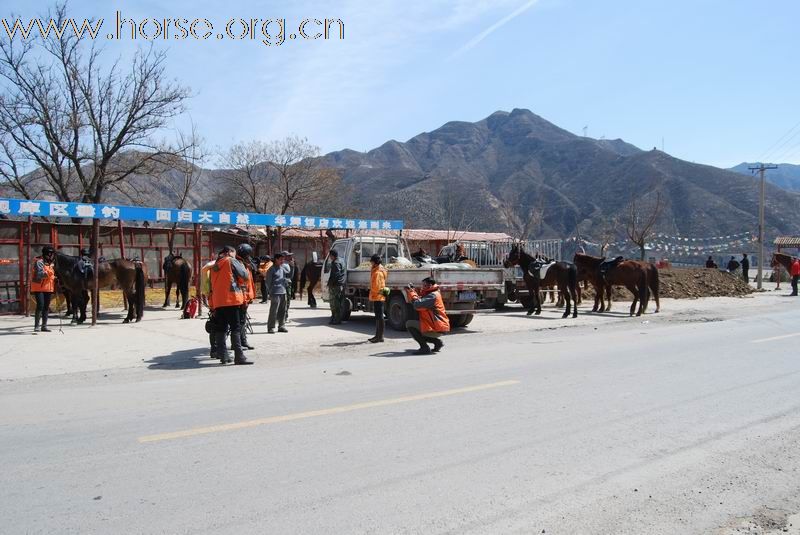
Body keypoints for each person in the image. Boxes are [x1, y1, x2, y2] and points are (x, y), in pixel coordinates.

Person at [208, 245, 253, 365]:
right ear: (229, 252)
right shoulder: (230, 260)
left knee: (221, 328)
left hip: (218, 300)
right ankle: (239, 357)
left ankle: (223, 356)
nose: (235, 255)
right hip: (232, 299)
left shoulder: (214, 265)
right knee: (235, 328)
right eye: (234, 252)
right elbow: (244, 275)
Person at [404, 277, 450, 355]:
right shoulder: (434, 293)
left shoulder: (432, 296)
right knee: (420, 327)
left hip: (437, 327)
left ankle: (424, 347)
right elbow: (420, 300)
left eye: (424, 285)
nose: (423, 287)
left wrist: (411, 291)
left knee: (409, 324)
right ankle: (437, 342)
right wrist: (413, 291)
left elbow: (417, 305)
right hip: (439, 326)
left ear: (430, 285)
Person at [236, 243, 257, 350]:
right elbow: (243, 284)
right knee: (240, 321)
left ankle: (242, 341)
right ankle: (240, 342)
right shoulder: (239, 264)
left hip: (245, 297)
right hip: (241, 298)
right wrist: (245, 299)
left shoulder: (244, 263)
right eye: (248, 255)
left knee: (242, 320)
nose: (250, 257)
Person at [31, 245, 56, 333]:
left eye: (52, 254)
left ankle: (44, 326)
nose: (51, 255)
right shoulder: (39, 261)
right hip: (39, 287)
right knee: (40, 305)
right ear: (45, 253)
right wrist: (51, 272)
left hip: (48, 288)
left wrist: (53, 276)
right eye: (49, 253)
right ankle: (36, 326)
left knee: (46, 307)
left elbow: (50, 275)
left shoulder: (51, 262)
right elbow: (40, 274)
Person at [266, 252, 288, 334]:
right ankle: (271, 327)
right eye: (281, 259)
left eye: (283, 259)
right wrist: (271, 291)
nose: (283, 261)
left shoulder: (282, 268)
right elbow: (268, 282)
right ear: (276, 259)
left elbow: (285, 277)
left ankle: (281, 326)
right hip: (275, 292)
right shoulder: (271, 269)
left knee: (283, 310)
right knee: (274, 310)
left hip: (283, 291)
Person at [368, 254, 387, 343]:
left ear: (375, 262)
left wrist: (372, 291)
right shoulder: (377, 270)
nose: (370, 263)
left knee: (379, 317)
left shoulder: (378, 272)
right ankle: (378, 335)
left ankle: (380, 336)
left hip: (378, 297)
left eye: (371, 261)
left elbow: (377, 287)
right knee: (378, 317)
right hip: (378, 296)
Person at [327, 249, 346, 324]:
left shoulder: (335, 263)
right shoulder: (342, 260)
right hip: (341, 284)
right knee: (338, 302)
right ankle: (335, 318)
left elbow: (335, 275)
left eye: (330, 256)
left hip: (335, 285)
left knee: (334, 303)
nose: (330, 257)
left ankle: (336, 319)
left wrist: (330, 284)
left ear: (332, 256)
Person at [282, 251, 296, 323]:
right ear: (284, 257)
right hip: (285, 285)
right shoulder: (284, 265)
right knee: (286, 301)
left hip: (286, 284)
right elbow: (290, 276)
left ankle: (283, 317)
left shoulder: (286, 264)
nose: (291, 257)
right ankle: (284, 317)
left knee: (285, 301)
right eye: (288, 256)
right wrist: (292, 267)